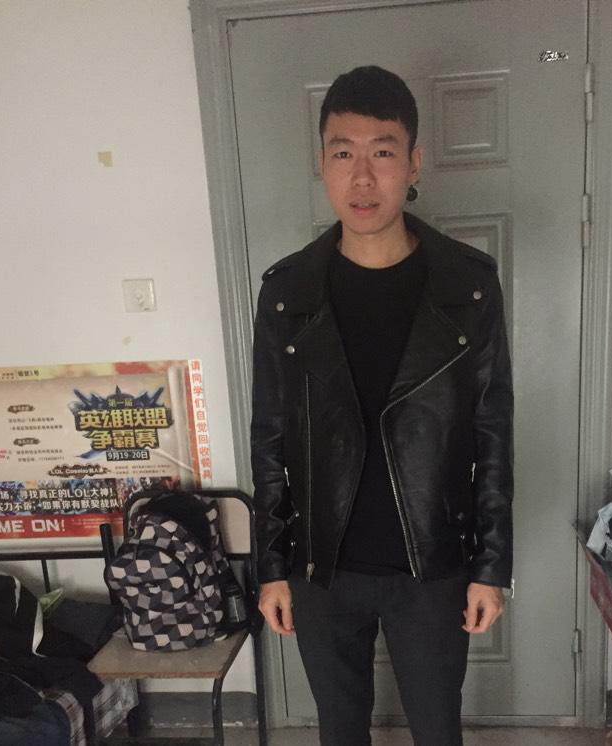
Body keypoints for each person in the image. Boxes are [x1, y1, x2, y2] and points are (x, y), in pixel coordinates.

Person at [250, 65, 513, 746]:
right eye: (343, 153)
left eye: (383, 152)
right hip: (322, 569)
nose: (362, 177)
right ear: (322, 163)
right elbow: (270, 436)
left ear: (413, 162)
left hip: (432, 565)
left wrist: (491, 568)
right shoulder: (287, 294)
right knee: (339, 731)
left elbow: (493, 430)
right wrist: (271, 568)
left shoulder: (467, 286)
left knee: (437, 730)